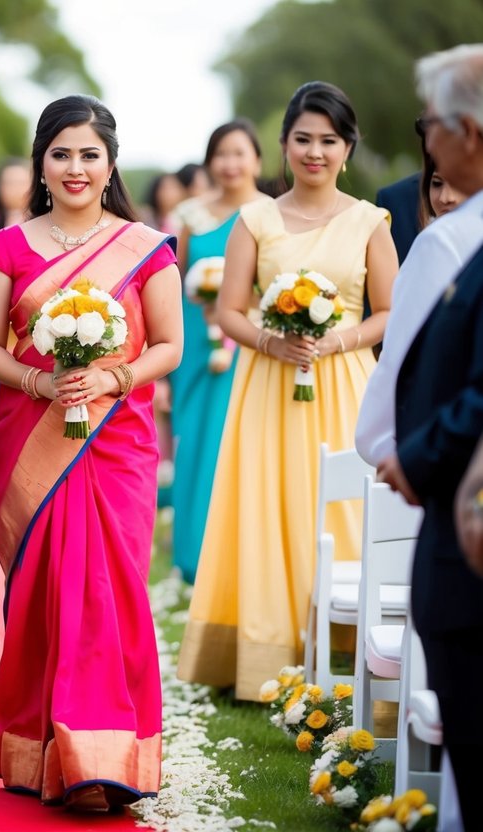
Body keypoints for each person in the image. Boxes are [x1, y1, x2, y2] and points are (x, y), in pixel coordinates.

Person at [0, 94, 182, 812]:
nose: (74, 167)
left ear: (110, 163)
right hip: (32, 432)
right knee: (46, 591)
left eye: (89, 154)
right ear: (40, 162)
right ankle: (40, 753)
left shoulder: (145, 246)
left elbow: (168, 345)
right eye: (60, 153)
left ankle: (102, 755)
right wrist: (39, 379)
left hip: (115, 442)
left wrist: (112, 376)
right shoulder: (8, 244)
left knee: (107, 589)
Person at [178, 81, 399, 700]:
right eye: (303, 138)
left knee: (343, 513)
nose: (315, 151)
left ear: (347, 149)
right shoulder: (256, 219)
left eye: (329, 140)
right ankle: (262, 659)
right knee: (267, 507)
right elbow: (229, 312)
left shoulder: (368, 222)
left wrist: (335, 342)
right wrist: (274, 343)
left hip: (344, 384)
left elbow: (389, 311)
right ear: (283, 146)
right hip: (268, 387)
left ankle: (352, 654)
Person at [376, 47, 483, 827]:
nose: (428, 144)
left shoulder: (452, 243)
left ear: (467, 133)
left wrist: (413, 454)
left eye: (431, 125)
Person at [169, 121, 265, 583]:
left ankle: (243, 556)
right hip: (194, 352)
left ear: (258, 161)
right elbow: (173, 282)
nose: (230, 164)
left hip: (250, 347)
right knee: (196, 443)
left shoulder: (270, 214)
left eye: (239, 153)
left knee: (242, 444)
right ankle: (193, 555)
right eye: (221, 154)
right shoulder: (191, 216)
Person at [357, 103, 477, 468]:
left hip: (446, 436)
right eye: (436, 183)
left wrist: (393, 450)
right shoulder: (397, 203)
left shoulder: (440, 242)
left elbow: (401, 351)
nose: (446, 197)